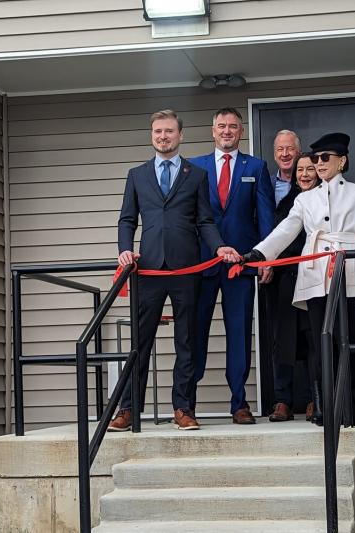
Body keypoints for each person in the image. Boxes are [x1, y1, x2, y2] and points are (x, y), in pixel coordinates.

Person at [243, 132, 355, 426]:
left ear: (342, 161)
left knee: (348, 339)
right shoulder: (305, 199)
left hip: (348, 270)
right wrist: (262, 253)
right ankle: (327, 406)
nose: (319, 163)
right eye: (315, 158)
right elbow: (287, 229)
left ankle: (353, 407)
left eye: (325, 158)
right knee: (321, 343)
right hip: (314, 275)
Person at [108, 109, 240, 432]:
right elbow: (127, 219)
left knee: (187, 342)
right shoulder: (137, 175)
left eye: (169, 131)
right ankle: (127, 409)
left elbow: (204, 221)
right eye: (158, 132)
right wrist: (124, 249)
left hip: (186, 269)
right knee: (140, 341)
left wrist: (219, 246)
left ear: (180, 135)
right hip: (149, 269)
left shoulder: (195, 175)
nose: (163, 136)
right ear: (152, 136)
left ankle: (183, 407)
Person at [189, 107, 275, 424]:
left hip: (241, 265)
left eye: (233, 127)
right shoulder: (194, 168)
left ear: (241, 132)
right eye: (222, 126)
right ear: (213, 131)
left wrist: (266, 257)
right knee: (195, 333)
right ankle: (187, 404)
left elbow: (265, 216)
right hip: (202, 265)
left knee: (239, 333)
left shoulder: (256, 167)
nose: (227, 131)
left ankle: (239, 402)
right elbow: (188, 217)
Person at [268, 153, 320, 423]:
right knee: (283, 340)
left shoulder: (325, 200)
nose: (305, 174)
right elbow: (279, 236)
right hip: (287, 277)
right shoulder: (287, 202)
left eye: (310, 169)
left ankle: (315, 398)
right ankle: (282, 401)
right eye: (301, 170)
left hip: (315, 276)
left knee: (313, 338)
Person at [271, 130, 301, 207]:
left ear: (299, 153)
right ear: (275, 155)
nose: (285, 154)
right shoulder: (267, 184)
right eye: (280, 149)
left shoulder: (311, 182)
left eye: (290, 148)